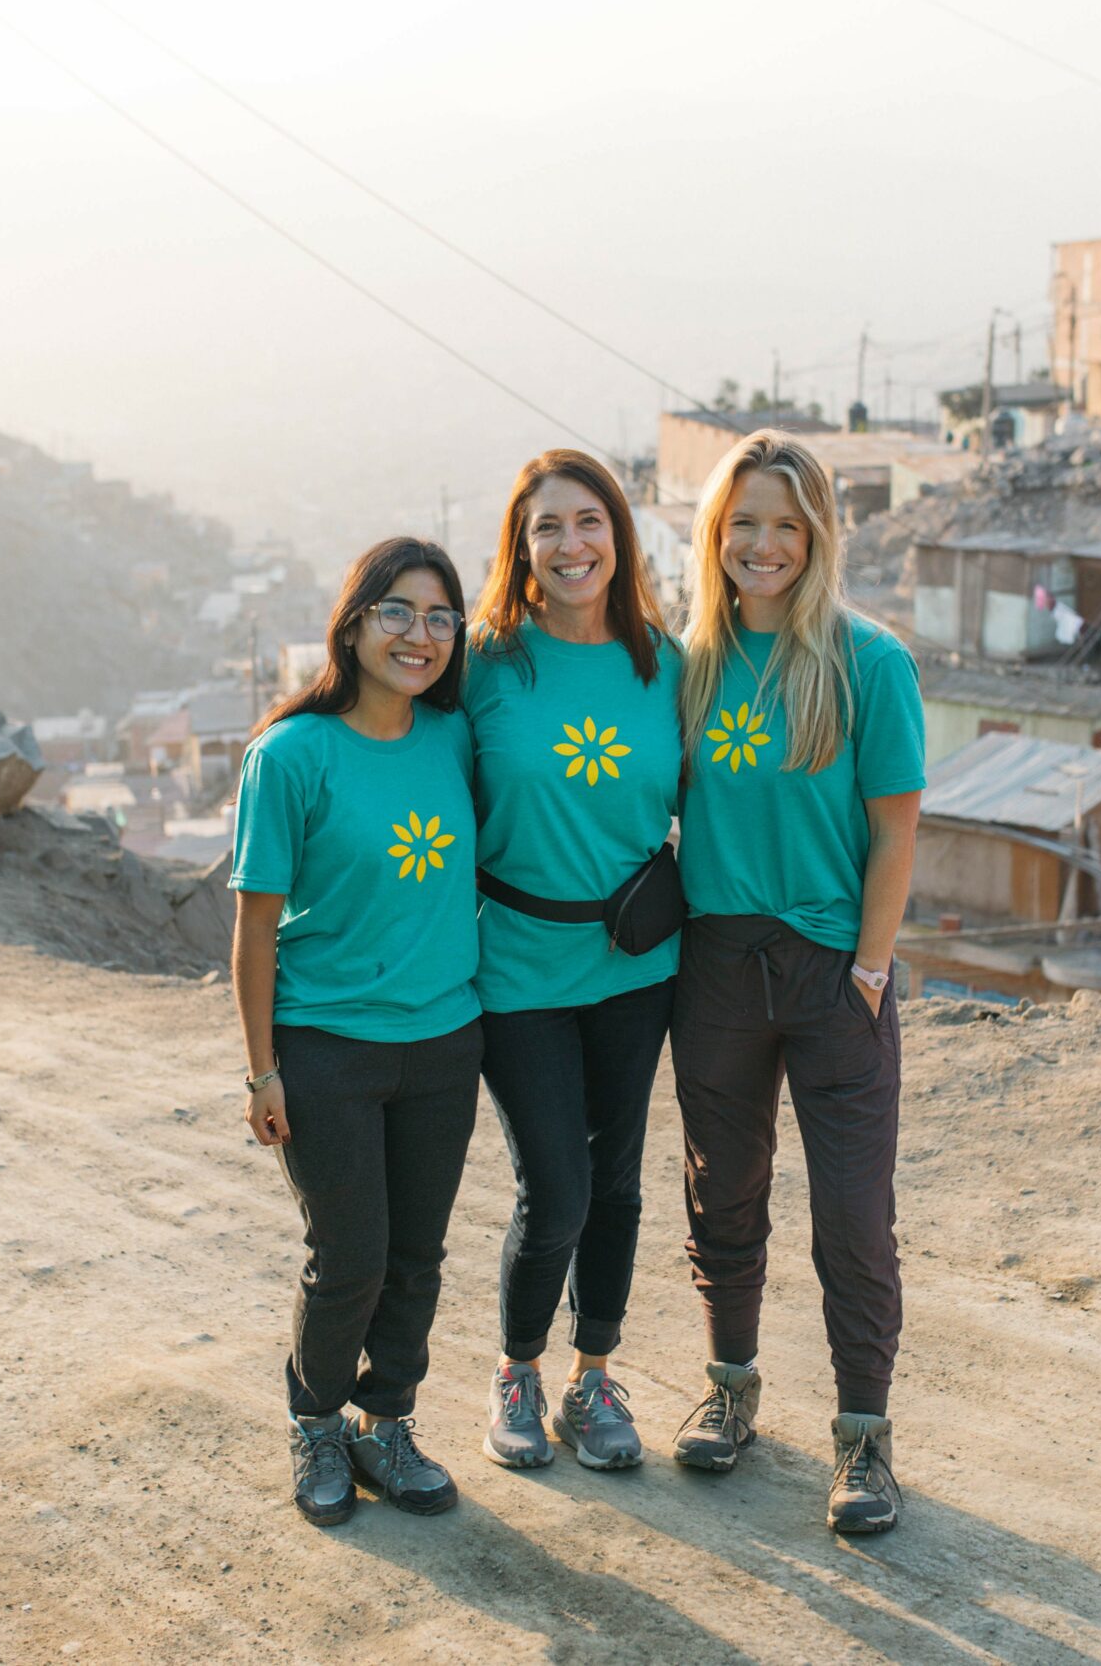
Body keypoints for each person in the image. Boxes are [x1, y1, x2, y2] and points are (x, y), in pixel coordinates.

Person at [666, 430, 925, 1535]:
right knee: (722, 1193)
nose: (763, 544)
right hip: (717, 966)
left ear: (818, 534)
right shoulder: (688, 665)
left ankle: (864, 1438)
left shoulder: (872, 663)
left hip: (833, 972)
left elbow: (896, 830)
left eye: (786, 523)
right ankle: (730, 1389)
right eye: (744, 523)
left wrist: (869, 966)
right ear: (715, 534)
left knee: (853, 1218)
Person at [230, 537, 482, 1527]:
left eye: (440, 617)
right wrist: (261, 1070)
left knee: (417, 1254)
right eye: (398, 612)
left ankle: (388, 1424)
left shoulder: (454, 737)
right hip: (327, 1045)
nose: (420, 635)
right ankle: (317, 1423)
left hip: (445, 1039)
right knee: (350, 1256)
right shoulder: (290, 755)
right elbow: (255, 926)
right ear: (355, 621)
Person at [465, 449, 683, 1473]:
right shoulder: (482, 664)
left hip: (637, 964)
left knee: (618, 1184)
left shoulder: (666, 665)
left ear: (619, 537)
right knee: (556, 1187)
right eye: (546, 526)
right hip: (516, 965)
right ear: (521, 546)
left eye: (589, 521)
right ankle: (518, 1370)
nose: (570, 544)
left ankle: (594, 1378)